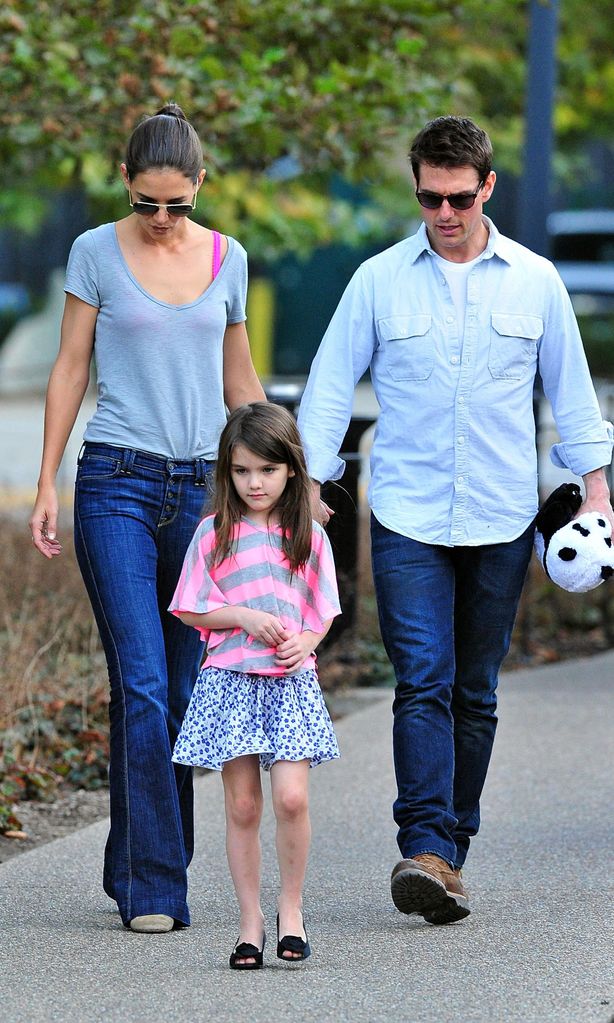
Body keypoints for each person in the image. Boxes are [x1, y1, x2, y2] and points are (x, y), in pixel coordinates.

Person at [297, 115, 614, 925]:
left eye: (459, 197)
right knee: (423, 681)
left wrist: (599, 494)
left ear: (488, 187)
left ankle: (451, 852)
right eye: (429, 197)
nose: (444, 212)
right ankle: (425, 844)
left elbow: (572, 398)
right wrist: (308, 484)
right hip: (407, 514)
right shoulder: (376, 280)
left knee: (476, 692)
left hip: (504, 518)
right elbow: (330, 387)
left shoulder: (536, 281)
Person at [28, 103, 265, 933]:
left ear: (200, 184)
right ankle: (157, 885)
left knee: (180, 690)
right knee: (140, 681)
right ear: (126, 182)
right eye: (147, 204)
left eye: (178, 204)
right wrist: (48, 480)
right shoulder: (93, 251)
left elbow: (241, 382)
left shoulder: (229, 258)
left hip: (201, 494)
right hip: (116, 484)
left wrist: (285, 477)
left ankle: (134, 859)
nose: (163, 220)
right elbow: (68, 366)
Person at [169, 402, 340, 968]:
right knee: (243, 805)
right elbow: (191, 609)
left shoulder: (309, 536)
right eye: (242, 471)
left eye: (266, 470)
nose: (254, 483)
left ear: (290, 469)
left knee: (291, 797)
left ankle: (292, 909)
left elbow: (323, 611)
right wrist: (240, 616)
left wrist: (306, 643)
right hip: (229, 681)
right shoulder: (212, 534)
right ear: (227, 472)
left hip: (288, 683)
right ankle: (251, 923)